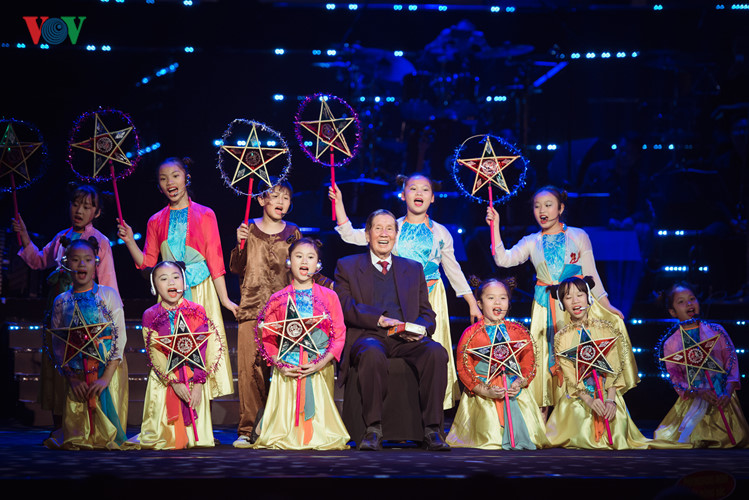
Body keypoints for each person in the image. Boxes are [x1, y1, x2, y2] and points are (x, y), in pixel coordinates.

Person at [330, 173, 481, 409]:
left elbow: (453, 270)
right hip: (398, 298)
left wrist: (471, 302)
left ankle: (432, 411)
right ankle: (399, 406)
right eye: (413, 188)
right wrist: (339, 203)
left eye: (425, 189)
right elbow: (352, 235)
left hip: (430, 298)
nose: (419, 193)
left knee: (431, 352)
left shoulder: (441, 233)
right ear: (403, 195)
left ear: (433, 197)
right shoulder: (391, 227)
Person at [486, 185, 637, 417]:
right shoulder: (532, 241)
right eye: (537, 206)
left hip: (574, 304)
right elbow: (503, 260)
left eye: (548, 205)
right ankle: (544, 416)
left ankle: (585, 411)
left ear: (561, 208)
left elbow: (591, 274)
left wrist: (606, 304)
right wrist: (494, 225)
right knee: (545, 358)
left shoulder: (578, 236)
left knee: (582, 354)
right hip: (545, 307)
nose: (542, 211)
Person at [118, 157, 236, 403]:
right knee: (171, 352)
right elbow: (149, 264)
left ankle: (201, 413)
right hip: (171, 292)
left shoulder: (205, 214)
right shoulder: (155, 220)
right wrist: (129, 241)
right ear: (159, 186)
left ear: (186, 178)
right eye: (163, 179)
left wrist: (224, 299)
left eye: (175, 175)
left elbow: (215, 259)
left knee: (203, 348)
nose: (170, 182)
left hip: (200, 290)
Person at [334, 209, 450, 451]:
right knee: (372, 353)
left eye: (389, 229)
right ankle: (373, 429)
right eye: (378, 228)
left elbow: (427, 313)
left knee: (436, 352)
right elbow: (345, 306)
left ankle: (432, 430)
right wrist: (379, 320)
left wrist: (419, 329)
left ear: (396, 236)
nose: (384, 234)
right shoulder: (347, 266)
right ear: (367, 235)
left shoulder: (413, 268)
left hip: (405, 338)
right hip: (369, 336)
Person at [229, 180, 331, 448]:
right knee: (250, 372)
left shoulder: (292, 232)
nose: (281, 202)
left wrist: (329, 286)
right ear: (261, 199)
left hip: (286, 313)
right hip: (252, 309)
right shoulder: (248, 228)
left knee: (283, 371)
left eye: (286, 197)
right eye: (274, 196)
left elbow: (303, 266)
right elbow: (236, 267)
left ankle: (278, 425)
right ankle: (248, 429)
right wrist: (240, 243)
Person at [12, 184, 118, 427]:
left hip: (87, 312)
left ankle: (84, 425)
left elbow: (108, 281)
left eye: (87, 207)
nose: (79, 211)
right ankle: (59, 426)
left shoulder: (100, 241)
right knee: (58, 363)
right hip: (59, 307)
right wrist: (25, 235)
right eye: (75, 204)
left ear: (97, 212)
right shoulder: (62, 237)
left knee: (82, 365)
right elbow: (39, 260)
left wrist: (109, 318)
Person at [253, 238, 349, 449]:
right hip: (288, 367)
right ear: (289, 262)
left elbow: (339, 335)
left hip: (318, 366)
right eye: (298, 256)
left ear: (318, 264)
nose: (304, 261)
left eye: (310, 257)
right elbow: (268, 338)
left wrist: (321, 363)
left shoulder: (330, 296)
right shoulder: (278, 298)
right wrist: (279, 364)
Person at [544, 276, 653, 450]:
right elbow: (571, 377)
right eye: (568, 297)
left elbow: (614, 369)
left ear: (588, 297)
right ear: (562, 304)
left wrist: (610, 400)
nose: (575, 301)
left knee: (616, 423)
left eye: (580, 295)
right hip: (579, 397)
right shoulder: (561, 338)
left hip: (607, 394)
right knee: (578, 420)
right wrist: (589, 400)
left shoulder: (606, 330)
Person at [44, 239, 130, 450]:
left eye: (88, 259)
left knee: (107, 434)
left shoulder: (108, 295)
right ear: (66, 263)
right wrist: (72, 378)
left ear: (96, 263)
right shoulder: (61, 301)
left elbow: (119, 335)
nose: (82, 264)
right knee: (78, 433)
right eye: (75, 260)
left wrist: (106, 377)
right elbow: (58, 344)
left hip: (108, 367)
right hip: (77, 369)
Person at [446, 278, 550, 450]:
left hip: (514, 390)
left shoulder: (519, 332)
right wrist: (483, 390)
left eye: (503, 298)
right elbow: (463, 367)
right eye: (491, 298)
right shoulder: (471, 333)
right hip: (484, 393)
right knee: (489, 438)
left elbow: (529, 362)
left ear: (509, 302)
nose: (497, 302)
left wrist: (520, 382)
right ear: (479, 303)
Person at [130, 261, 217, 449]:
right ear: (154, 286)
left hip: (192, 377)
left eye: (176, 277)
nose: (171, 282)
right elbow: (154, 352)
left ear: (184, 282)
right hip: (165, 379)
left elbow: (203, 349)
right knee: (165, 441)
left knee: (198, 444)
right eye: (164, 279)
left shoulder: (197, 310)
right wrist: (173, 381)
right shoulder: (150, 314)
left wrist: (198, 384)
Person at [654, 282, 749, 448]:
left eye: (692, 299)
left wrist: (727, 391)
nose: (689, 303)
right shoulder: (671, 343)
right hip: (694, 400)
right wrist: (697, 392)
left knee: (733, 439)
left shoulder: (717, 331)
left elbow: (732, 362)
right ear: (672, 312)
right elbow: (676, 378)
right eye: (681, 302)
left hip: (722, 397)